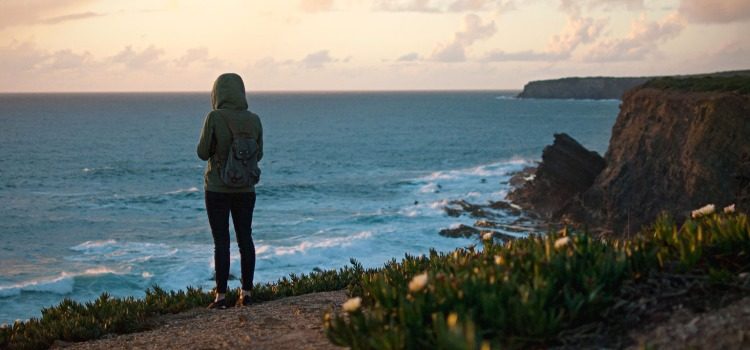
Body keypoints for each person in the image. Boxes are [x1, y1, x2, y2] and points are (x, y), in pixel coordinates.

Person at [197, 73, 263, 309]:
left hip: (217, 187)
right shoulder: (254, 119)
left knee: (221, 242)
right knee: (245, 239)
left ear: (217, 93)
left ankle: (221, 297)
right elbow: (260, 154)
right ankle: (247, 293)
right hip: (246, 189)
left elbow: (202, 152)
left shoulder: (214, 117)